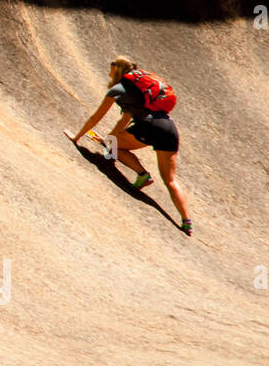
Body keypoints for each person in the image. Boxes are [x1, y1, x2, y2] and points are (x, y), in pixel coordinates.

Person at [66, 55, 193, 235]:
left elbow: (97, 117)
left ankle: (142, 174)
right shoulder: (141, 91)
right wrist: (109, 140)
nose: (109, 69)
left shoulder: (118, 89)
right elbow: (123, 121)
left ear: (116, 69)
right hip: (169, 127)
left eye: (111, 65)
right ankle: (187, 222)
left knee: (113, 145)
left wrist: (76, 137)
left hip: (149, 125)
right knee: (171, 180)